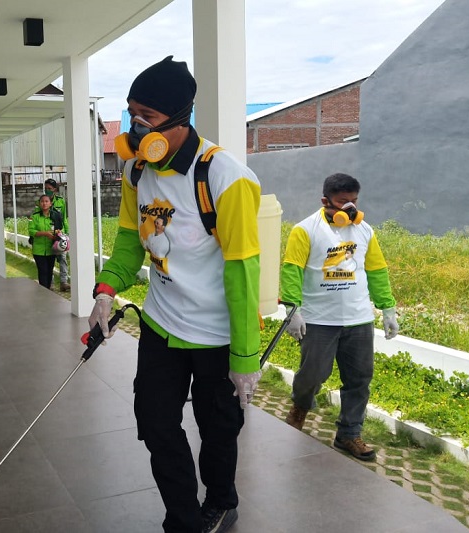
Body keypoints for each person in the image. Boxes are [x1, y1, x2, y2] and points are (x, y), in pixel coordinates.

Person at [88, 56, 262, 533]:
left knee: (218, 429)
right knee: (155, 423)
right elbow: (129, 244)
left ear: (180, 118)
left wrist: (245, 357)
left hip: (217, 334)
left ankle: (221, 501)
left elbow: (243, 271)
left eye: (147, 116)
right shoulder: (136, 172)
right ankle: (182, 521)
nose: (136, 127)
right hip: (161, 325)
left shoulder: (225, 177)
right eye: (132, 114)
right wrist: (106, 290)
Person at [280, 172, 400, 462]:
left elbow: (377, 270)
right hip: (319, 319)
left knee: (359, 379)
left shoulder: (364, 230)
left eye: (354, 201)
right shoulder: (305, 230)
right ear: (325, 201)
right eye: (343, 202)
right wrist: (293, 310)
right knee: (312, 375)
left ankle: (349, 433)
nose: (350, 208)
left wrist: (387, 308)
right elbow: (292, 270)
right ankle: (300, 408)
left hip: (358, 319)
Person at [28, 194, 63, 289]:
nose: (44, 203)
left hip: (51, 249)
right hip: (38, 250)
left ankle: (47, 291)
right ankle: (43, 291)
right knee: (42, 271)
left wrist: (58, 232)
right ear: (39, 204)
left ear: (50, 203)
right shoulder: (34, 216)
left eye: (46, 201)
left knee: (49, 271)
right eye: (42, 201)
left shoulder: (55, 216)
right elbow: (31, 231)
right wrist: (45, 233)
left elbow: (60, 228)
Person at [43, 178, 70, 291]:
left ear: (54, 189)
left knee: (62, 258)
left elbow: (64, 218)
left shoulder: (61, 201)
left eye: (49, 188)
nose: (47, 190)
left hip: (59, 234)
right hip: (47, 234)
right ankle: (51, 283)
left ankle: (64, 282)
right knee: (50, 259)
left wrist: (66, 233)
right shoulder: (42, 201)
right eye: (46, 188)